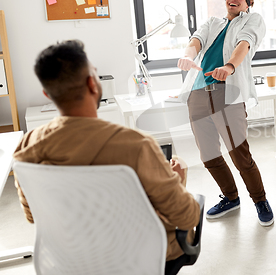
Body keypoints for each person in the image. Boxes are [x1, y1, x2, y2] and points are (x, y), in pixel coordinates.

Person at [13, 40, 201, 269]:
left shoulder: (26, 147)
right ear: (93, 84)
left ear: (47, 93)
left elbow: (33, 216)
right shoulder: (137, 146)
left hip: (75, 258)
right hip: (141, 257)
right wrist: (176, 180)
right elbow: (187, 217)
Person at [177, 0, 273, 226]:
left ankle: (260, 200)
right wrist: (187, 56)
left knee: (239, 154)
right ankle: (231, 197)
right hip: (198, 94)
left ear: (248, 2)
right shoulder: (213, 22)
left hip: (227, 94)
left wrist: (229, 67)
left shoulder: (253, 20)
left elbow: (245, 43)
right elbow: (196, 41)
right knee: (209, 154)